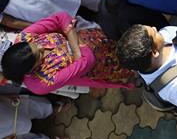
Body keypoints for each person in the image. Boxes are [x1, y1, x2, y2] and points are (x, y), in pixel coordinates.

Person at [2, 11, 135, 92]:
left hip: (97, 40)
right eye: (40, 54)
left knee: (125, 42)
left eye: (35, 44)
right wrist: (71, 34)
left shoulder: (24, 37)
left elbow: (61, 17)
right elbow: (89, 62)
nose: (41, 47)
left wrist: (77, 52)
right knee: (130, 65)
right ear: (32, 67)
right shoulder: (40, 83)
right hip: (101, 66)